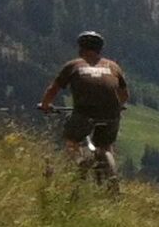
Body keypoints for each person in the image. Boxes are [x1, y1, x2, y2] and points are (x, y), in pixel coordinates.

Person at [39, 31, 130, 185]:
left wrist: (45, 105)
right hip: (111, 114)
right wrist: (119, 106)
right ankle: (111, 174)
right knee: (105, 145)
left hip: (84, 113)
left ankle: (80, 161)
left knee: (72, 140)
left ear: (81, 48)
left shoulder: (74, 65)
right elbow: (125, 95)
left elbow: (53, 90)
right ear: (100, 49)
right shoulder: (112, 66)